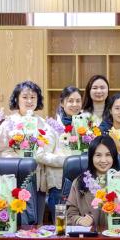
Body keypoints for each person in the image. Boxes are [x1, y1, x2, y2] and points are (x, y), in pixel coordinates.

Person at [65, 136, 120, 229]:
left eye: (108, 155)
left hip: (118, 234)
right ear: (91, 157)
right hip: (90, 236)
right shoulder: (79, 182)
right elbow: (70, 215)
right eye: (98, 155)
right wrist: (79, 220)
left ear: (114, 157)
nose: (103, 160)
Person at [34, 86, 83, 223]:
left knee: (81, 225)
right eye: (70, 101)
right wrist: (67, 161)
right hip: (59, 185)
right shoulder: (52, 127)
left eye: (78, 101)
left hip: (82, 185)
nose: (75, 104)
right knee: (61, 226)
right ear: (62, 103)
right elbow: (40, 155)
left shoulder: (85, 126)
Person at [0, 80, 45, 156]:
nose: (29, 101)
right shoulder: (9, 123)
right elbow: (1, 151)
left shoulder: (43, 123)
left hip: (39, 162)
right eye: (25, 97)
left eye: (33, 97)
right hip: (16, 162)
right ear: (17, 99)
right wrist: (21, 160)